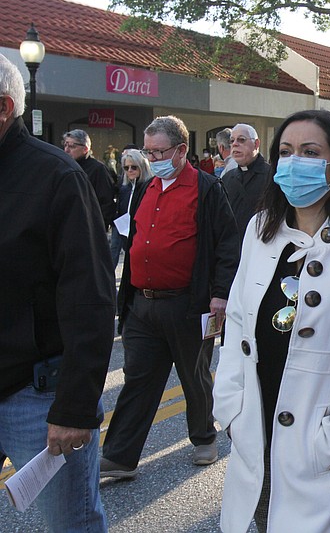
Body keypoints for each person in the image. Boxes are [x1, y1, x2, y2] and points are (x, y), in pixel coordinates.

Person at [213, 110, 330, 532]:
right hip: (254, 431)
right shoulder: (260, 229)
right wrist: (230, 410)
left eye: (310, 152)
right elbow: (238, 323)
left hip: (319, 443)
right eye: (285, 152)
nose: (295, 162)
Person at [0, 53, 113, 531]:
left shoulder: (57, 177)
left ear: (4, 107)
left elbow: (90, 299)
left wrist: (75, 406)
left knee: (72, 524)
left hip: (38, 396)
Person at [101, 115, 239, 479]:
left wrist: (220, 295)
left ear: (181, 150)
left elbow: (227, 245)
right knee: (138, 378)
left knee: (194, 376)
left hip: (188, 303)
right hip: (143, 303)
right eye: (148, 151)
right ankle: (120, 456)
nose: (153, 158)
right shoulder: (146, 188)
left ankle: (204, 438)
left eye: (159, 152)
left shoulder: (207, 188)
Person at [221, 123, 271, 242]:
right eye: (232, 141)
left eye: (241, 140)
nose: (235, 144)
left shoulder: (272, 177)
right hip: (232, 247)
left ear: (256, 144)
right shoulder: (227, 178)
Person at [63, 129, 117, 230]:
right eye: (65, 145)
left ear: (85, 149)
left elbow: (106, 201)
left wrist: (99, 227)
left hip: (89, 226)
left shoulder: (98, 169)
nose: (66, 150)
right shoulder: (64, 166)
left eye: (72, 146)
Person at [111, 149, 152, 268]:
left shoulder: (149, 188)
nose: (129, 170)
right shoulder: (125, 188)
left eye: (134, 167)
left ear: (142, 167)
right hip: (125, 234)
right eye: (126, 168)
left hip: (142, 236)